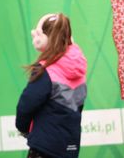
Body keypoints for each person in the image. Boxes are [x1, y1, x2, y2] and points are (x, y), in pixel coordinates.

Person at [16, 13, 87, 158]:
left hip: (45, 147)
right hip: (71, 146)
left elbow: (26, 105)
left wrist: (23, 128)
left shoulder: (45, 70)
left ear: (43, 39)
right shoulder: (80, 70)